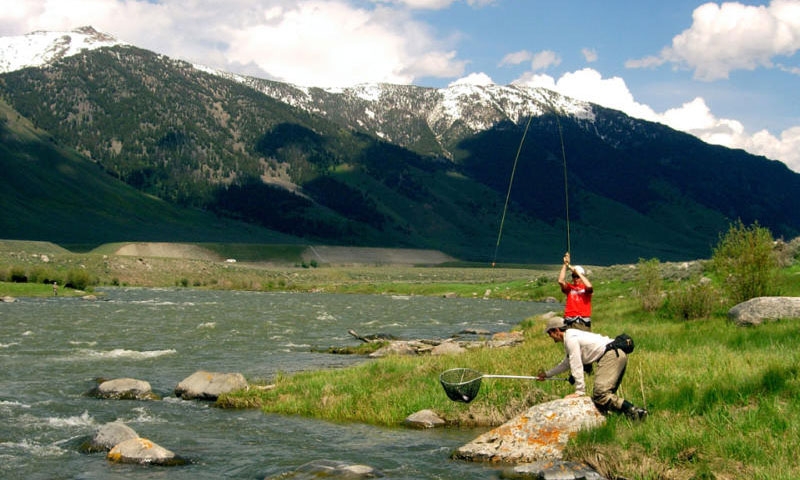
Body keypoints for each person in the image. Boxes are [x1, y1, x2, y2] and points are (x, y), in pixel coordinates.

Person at [537, 316, 647, 420]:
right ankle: (626, 416)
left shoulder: (571, 339)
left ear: (556, 330)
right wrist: (547, 374)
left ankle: (636, 412)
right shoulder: (570, 336)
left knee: (600, 394)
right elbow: (566, 363)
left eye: (549, 333)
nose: (549, 336)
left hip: (611, 356)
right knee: (603, 398)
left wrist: (579, 391)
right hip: (616, 354)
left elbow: (576, 364)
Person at [558, 252, 592, 331]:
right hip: (570, 321)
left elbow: (589, 287)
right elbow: (560, 281)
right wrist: (565, 264)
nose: (576, 278)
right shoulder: (570, 287)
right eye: (574, 276)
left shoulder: (586, 288)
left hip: (583, 323)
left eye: (577, 276)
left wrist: (577, 272)